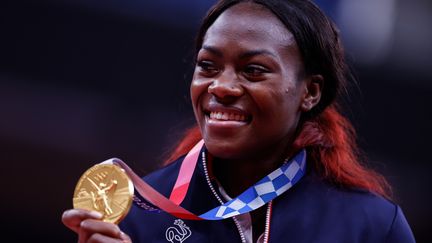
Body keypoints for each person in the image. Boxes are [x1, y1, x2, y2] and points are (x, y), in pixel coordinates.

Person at [62, 0, 416, 242]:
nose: (222, 86)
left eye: (253, 70)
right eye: (208, 66)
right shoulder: (142, 214)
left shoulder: (368, 227)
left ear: (310, 91)